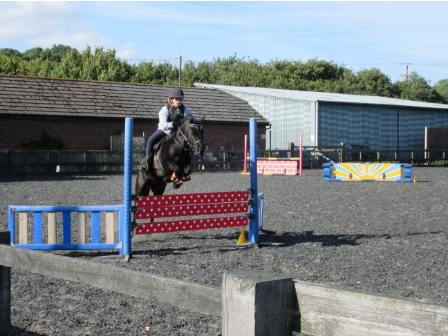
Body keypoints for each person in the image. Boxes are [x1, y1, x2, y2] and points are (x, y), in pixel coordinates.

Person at [139, 88, 192, 172]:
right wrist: (171, 124)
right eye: (177, 99)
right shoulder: (165, 109)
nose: (179, 101)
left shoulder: (185, 110)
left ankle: (189, 163)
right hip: (165, 131)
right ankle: (147, 164)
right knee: (150, 140)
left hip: (178, 134)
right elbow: (162, 125)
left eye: (181, 99)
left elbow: (190, 122)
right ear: (171, 100)